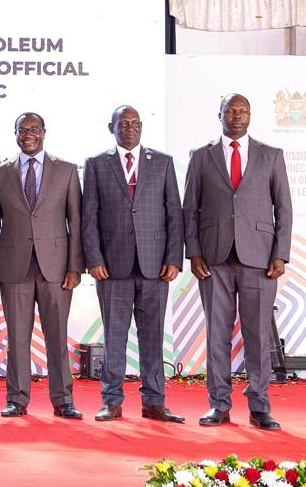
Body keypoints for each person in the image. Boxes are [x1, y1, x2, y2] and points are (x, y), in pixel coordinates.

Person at [183, 94, 292, 431]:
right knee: (216, 335)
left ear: (251, 115)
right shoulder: (201, 157)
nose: (237, 115)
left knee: (257, 336)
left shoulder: (271, 156)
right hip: (213, 260)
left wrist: (280, 253)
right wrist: (194, 252)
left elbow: (283, 209)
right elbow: (190, 209)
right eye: (231, 110)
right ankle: (219, 405)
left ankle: (260, 407)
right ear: (220, 114)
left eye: (243, 110)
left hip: (260, 260)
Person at [81, 106, 185, 424]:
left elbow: (174, 215)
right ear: (111, 126)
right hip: (112, 267)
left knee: (152, 336)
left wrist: (173, 259)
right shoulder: (97, 164)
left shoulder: (163, 163)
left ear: (141, 127)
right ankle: (111, 401)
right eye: (123, 123)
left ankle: (154, 402)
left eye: (135, 123)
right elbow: (90, 218)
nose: (129, 128)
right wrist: (94, 259)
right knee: (114, 337)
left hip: (155, 266)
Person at [0, 112, 84, 420]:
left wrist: (74, 266)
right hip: (13, 267)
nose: (28, 134)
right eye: (22, 130)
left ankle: (63, 400)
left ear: (44, 132)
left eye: (34, 129)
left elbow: (76, 222)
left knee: (57, 336)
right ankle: (17, 399)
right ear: (14, 134)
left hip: (56, 267)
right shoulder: (0, 174)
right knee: (17, 337)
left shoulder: (66, 170)